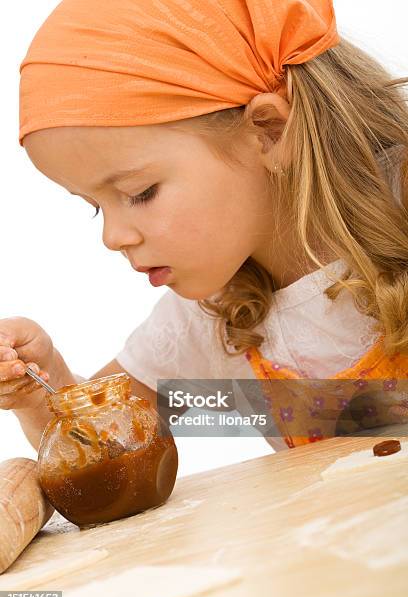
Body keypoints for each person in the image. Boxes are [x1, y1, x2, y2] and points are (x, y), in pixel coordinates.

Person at [2, 0, 407, 451]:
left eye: (140, 192)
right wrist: (41, 387)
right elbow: (102, 447)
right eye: (95, 206)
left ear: (270, 131)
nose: (113, 237)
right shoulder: (212, 318)